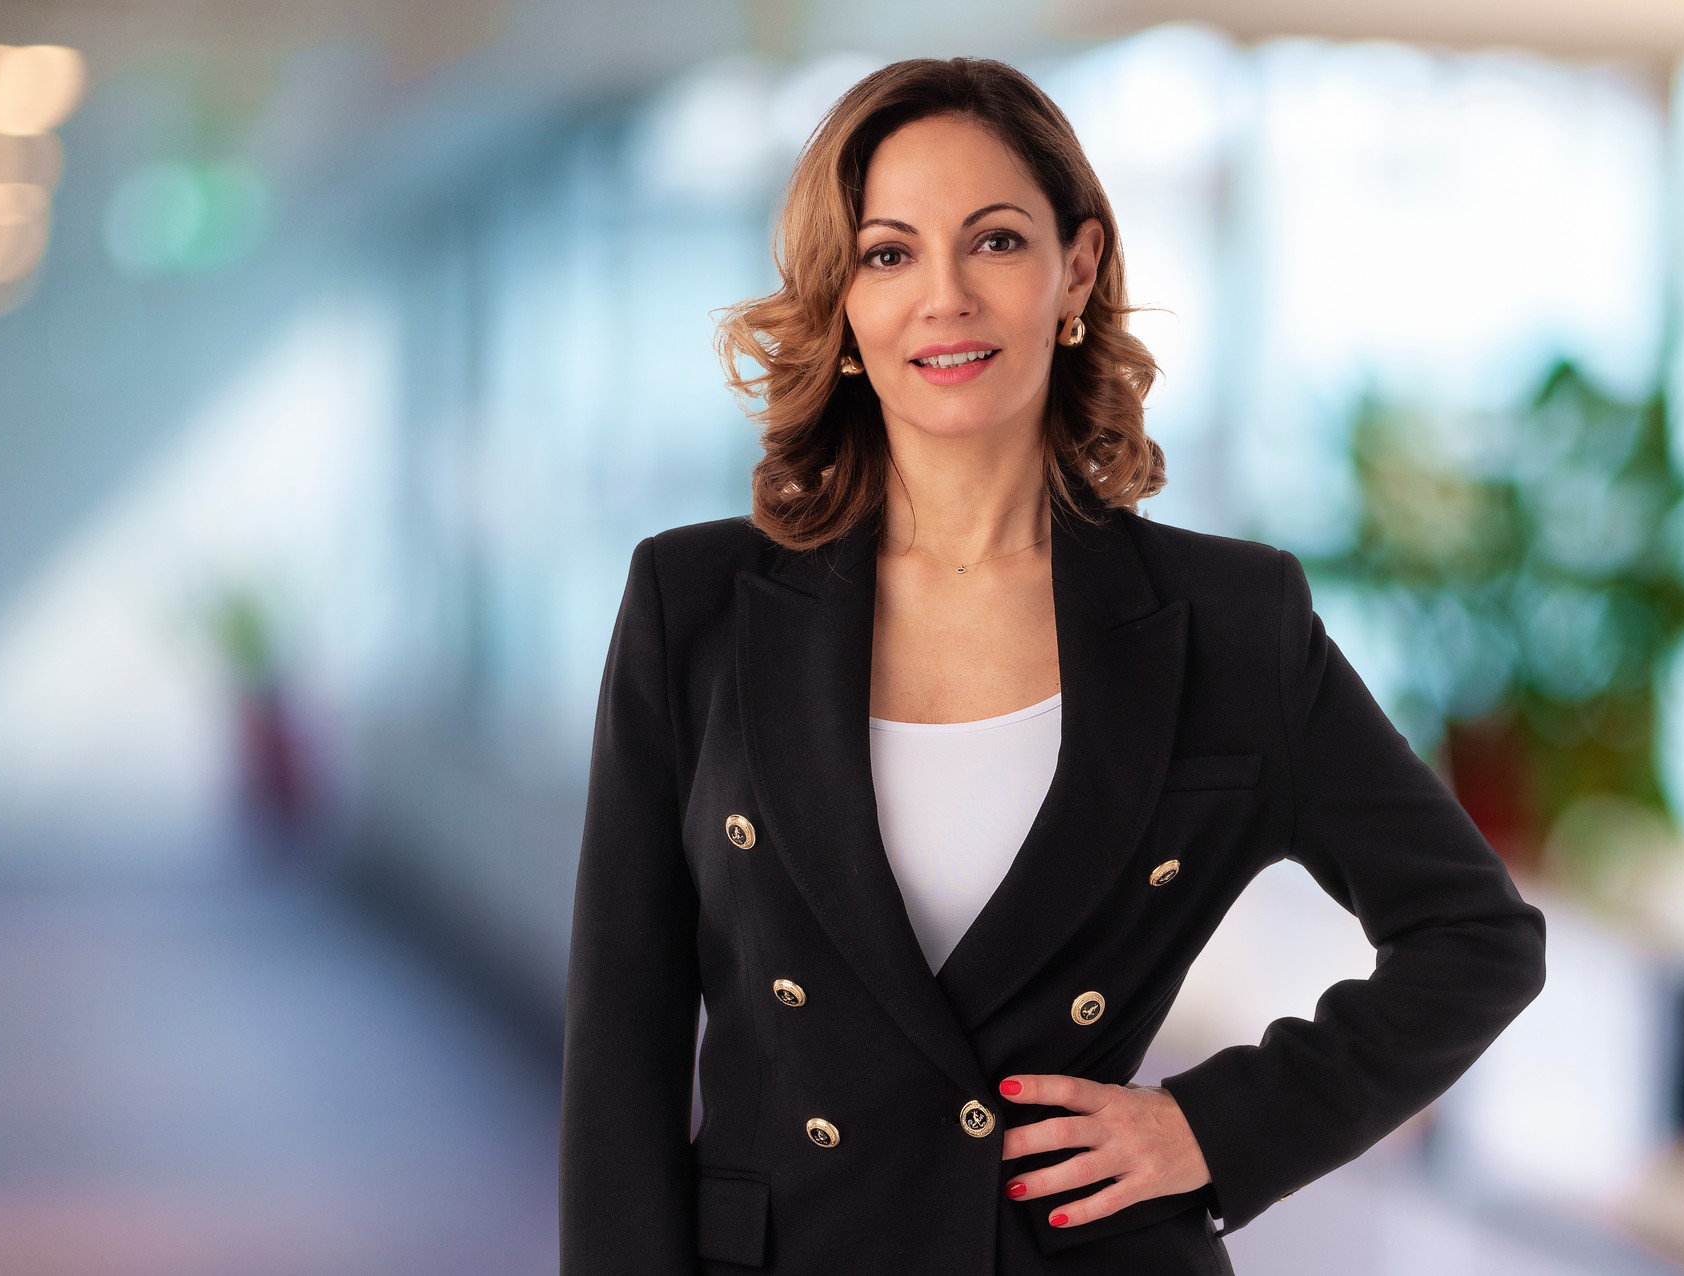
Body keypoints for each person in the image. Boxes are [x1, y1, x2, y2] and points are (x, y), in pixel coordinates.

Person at [558, 55, 1546, 1276]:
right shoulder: (694, 603)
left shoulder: (1228, 622)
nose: (945, 296)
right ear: (843, 303)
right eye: (888, 253)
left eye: (997, 242)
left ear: (1075, 269)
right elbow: (621, 1051)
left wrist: (1213, 1127)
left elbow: (1474, 935)